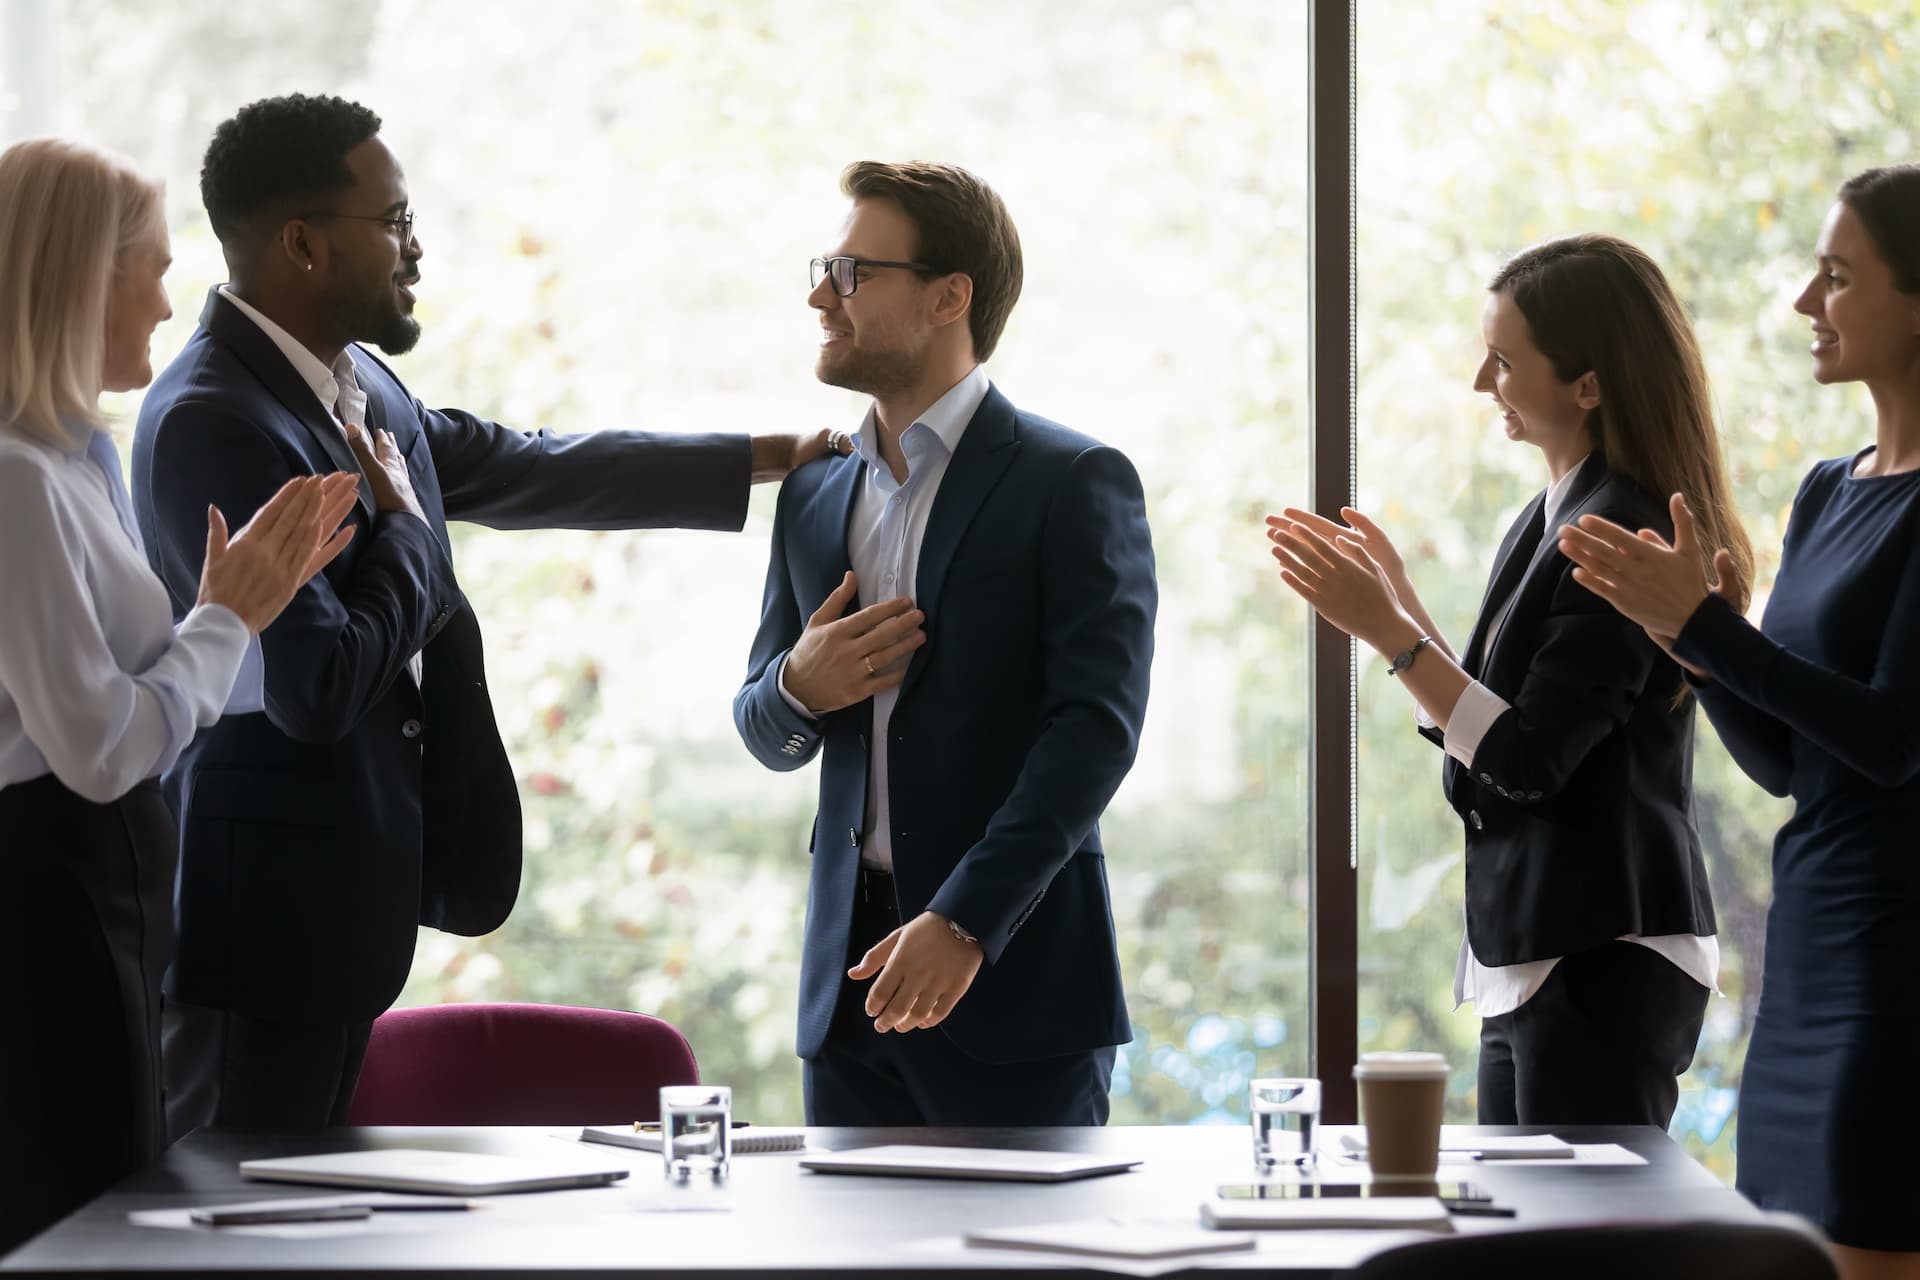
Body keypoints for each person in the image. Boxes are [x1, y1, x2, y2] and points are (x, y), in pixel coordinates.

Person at [129, 94, 830, 1133]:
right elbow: (313, 686)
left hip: (331, 915)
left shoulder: (356, 382)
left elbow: (518, 463)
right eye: (396, 222)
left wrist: (768, 458)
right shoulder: (212, 419)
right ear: (304, 243)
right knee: (236, 1228)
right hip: (261, 929)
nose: (416, 248)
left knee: (306, 1225)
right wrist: (411, 533)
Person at [1267, 233, 1752, 1128]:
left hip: (1600, 951)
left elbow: (1530, 759)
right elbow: (1518, 722)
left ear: (1588, 383)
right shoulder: (1552, 514)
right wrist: (1404, 614)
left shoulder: (1617, 535)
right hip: (1541, 949)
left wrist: (1388, 632)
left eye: (1502, 360)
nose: (1482, 385)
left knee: (1582, 1255)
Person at [732, 161, 1156, 1125]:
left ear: (947, 297)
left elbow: (1095, 730)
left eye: (848, 274)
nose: (817, 296)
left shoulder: (1074, 479)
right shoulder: (811, 494)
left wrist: (965, 920)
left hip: (1014, 981)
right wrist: (799, 687)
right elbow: (763, 726)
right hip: (844, 998)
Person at [1559, 167, 1920, 1278]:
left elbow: (1895, 741)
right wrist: (1689, 645)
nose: (1809, 303)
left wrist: (1714, 631)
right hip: (1809, 958)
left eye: (1838, 275)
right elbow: (1790, 765)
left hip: (1897, 970)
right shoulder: (1826, 488)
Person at [0, 138, 357, 1251]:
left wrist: (240, 606)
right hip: (49, 906)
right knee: (80, 1219)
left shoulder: (70, 462)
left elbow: (166, 696)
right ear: (78, 278)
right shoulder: (16, 479)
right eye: (151, 267)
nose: (169, 298)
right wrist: (228, 616)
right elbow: (101, 748)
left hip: (101, 898)